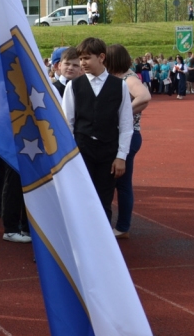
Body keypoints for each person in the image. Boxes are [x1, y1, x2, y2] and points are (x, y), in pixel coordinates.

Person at [62, 37, 133, 222]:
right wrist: (70, 155)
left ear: (101, 57)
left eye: (86, 58)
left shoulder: (120, 86)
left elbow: (126, 124)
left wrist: (121, 156)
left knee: (104, 200)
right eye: (80, 59)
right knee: (80, 199)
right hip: (81, 151)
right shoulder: (73, 86)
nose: (82, 63)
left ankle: (103, 246)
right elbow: (67, 123)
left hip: (108, 153)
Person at [106, 44, 150, 239]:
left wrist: (123, 113)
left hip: (129, 135)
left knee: (122, 183)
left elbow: (145, 96)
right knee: (115, 182)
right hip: (117, 135)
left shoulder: (128, 78)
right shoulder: (115, 78)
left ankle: (123, 226)